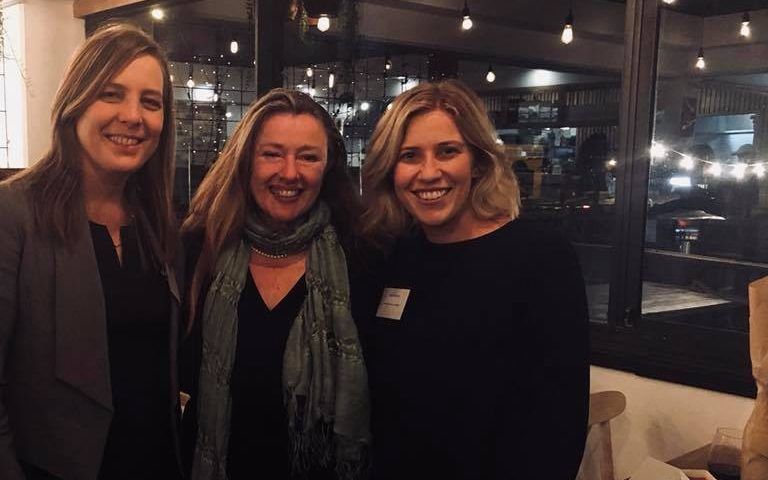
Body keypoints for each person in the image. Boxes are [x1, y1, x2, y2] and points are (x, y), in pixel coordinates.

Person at [0, 23, 183, 480]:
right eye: (112, 94)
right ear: (76, 102)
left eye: (150, 102)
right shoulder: (8, 212)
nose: (133, 116)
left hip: (154, 460)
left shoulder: (159, 220)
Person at [359, 80, 590, 479]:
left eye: (448, 151)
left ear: (479, 161)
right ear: (390, 170)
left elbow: (559, 424)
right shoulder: (392, 257)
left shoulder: (540, 258)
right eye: (409, 156)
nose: (429, 173)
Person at [181, 88, 371, 480]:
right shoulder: (199, 250)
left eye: (308, 156)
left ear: (328, 166)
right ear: (246, 161)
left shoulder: (362, 258)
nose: (289, 172)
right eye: (272, 153)